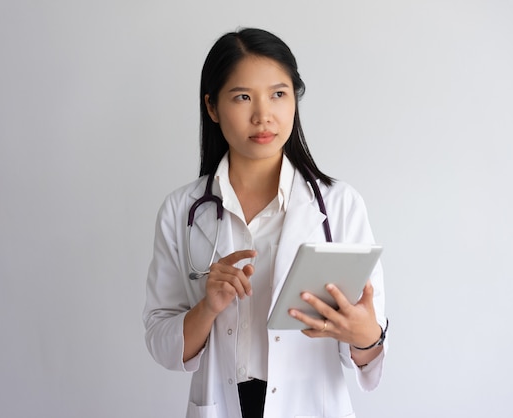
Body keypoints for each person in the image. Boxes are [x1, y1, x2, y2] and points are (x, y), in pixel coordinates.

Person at [143, 27, 387, 418]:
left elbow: (368, 352)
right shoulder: (180, 210)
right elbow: (162, 343)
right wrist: (208, 307)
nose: (263, 116)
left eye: (278, 94)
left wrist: (365, 336)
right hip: (223, 405)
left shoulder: (340, 205)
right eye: (242, 97)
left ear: (294, 100)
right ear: (212, 107)